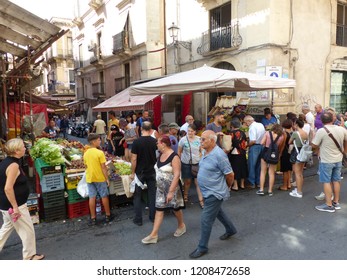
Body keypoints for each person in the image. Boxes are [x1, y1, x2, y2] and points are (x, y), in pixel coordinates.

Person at [189, 130, 237, 259]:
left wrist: (226, 187)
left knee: (206, 219)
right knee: (218, 212)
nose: (201, 141)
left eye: (203, 139)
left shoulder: (219, 155)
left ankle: (202, 247)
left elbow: (230, 174)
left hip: (214, 193)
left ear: (212, 140)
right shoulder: (205, 150)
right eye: (201, 139)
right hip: (208, 191)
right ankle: (231, 229)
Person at [0, 138, 44, 260]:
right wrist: (15, 208)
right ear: (16, 150)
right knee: (27, 230)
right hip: (15, 206)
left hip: (5, 205)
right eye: (23, 147)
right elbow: (8, 188)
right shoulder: (13, 165)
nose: (25, 148)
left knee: (6, 227)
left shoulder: (5, 162)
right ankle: (30, 256)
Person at [141, 135, 186, 244]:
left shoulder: (174, 157)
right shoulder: (160, 154)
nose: (156, 144)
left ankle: (181, 225)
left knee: (176, 208)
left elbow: (176, 175)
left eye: (158, 142)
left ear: (163, 144)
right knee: (159, 210)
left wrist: (171, 192)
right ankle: (154, 235)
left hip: (172, 188)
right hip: (161, 189)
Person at [312, 112, 347, 212]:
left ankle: (328, 205)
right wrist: (345, 150)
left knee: (326, 181)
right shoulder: (341, 129)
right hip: (338, 159)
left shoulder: (321, 131)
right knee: (336, 180)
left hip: (326, 160)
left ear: (322, 121)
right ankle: (336, 202)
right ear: (332, 119)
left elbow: (314, 145)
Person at [130, 121, 157, 226]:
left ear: (141, 129)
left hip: (140, 172)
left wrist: (132, 172)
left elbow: (133, 159)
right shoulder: (154, 141)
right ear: (151, 130)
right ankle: (152, 217)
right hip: (152, 171)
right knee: (152, 194)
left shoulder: (136, 142)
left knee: (137, 195)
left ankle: (138, 219)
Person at [84, 134, 114, 226]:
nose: (100, 141)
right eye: (98, 140)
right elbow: (104, 168)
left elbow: (86, 166)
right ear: (93, 142)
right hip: (99, 177)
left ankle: (93, 218)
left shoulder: (86, 153)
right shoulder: (99, 153)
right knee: (104, 196)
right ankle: (108, 215)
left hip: (90, 178)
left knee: (92, 197)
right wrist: (107, 179)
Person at [178, 124, 204, 208]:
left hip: (197, 163)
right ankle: (185, 196)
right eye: (188, 131)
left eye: (192, 131)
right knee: (187, 181)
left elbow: (202, 151)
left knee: (198, 182)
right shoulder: (183, 140)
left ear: (195, 132)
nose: (190, 132)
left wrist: (202, 159)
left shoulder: (199, 139)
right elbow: (179, 152)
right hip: (186, 163)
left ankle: (201, 200)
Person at [257, 124, 285, 196]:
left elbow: (262, 143)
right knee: (271, 173)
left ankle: (261, 189)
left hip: (266, 151)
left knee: (263, 171)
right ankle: (270, 191)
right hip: (274, 153)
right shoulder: (281, 136)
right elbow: (280, 146)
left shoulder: (267, 133)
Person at [243, 115, 266, 188]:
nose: (246, 125)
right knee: (259, 165)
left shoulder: (252, 127)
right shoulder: (260, 125)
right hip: (262, 146)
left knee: (252, 165)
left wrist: (247, 145)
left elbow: (253, 141)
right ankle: (258, 181)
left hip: (255, 147)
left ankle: (251, 182)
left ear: (249, 121)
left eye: (245, 123)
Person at [288, 119, 309, 198]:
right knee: (300, 173)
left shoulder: (295, 133)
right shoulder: (305, 133)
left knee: (297, 173)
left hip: (297, 153)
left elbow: (289, 142)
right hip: (303, 152)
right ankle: (298, 190)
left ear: (296, 124)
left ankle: (299, 192)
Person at [226, 119, 248, 191]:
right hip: (242, 152)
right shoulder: (243, 133)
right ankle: (242, 184)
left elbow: (229, 144)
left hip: (234, 152)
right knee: (243, 167)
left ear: (232, 125)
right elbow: (245, 142)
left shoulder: (231, 133)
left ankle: (235, 185)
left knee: (235, 168)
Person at [278, 119, 294, 191]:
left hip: (285, 152)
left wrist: (280, 153)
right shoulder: (293, 133)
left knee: (285, 170)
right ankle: (288, 184)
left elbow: (282, 144)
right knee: (289, 169)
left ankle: (284, 185)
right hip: (291, 152)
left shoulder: (284, 134)